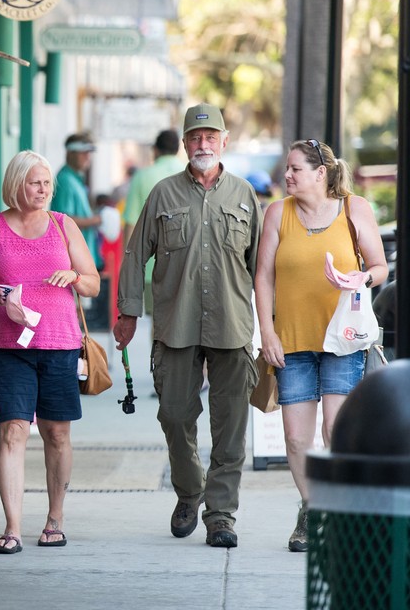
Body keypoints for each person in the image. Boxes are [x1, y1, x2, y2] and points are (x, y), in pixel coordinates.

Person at [114, 104, 262, 549]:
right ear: (184, 143)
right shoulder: (162, 194)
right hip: (174, 325)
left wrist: (272, 327)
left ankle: (221, 515)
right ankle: (189, 491)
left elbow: (263, 269)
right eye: (195, 137)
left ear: (224, 142)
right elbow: (135, 253)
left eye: (210, 136)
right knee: (175, 416)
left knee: (230, 425)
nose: (203, 144)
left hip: (233, 327)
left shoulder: (244, 195)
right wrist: (127, 312)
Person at [0, 150, 100, 554]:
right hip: (8, 347)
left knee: (57, 433)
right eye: (35, 182)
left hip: (59, 345)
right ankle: (13, 527)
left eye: (47, 183)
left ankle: (55, 519)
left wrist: (74, 275)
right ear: (16, 184)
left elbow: (93, 283)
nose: (43, 190)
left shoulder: (62, 225)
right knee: (13, 432)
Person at [253, 139, 386, 552]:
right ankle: (311, 510)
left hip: (342, 340)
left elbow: (380, 267)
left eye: (294, 168)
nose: (287, 176)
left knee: (336, 431)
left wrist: (360, 279)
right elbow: (263, 277)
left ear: (320, 172)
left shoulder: (355, 209)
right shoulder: (278, 213)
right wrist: (267, 333)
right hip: (291, 340)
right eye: (287, 169)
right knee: (296, 438)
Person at [121, 128, 182, 313]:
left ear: (155, 150)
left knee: (159, 323)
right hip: (185, 266)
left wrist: (129, 268)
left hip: (151, 268)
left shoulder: (142, 176)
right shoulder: (190, 175)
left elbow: (131, 223)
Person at [53, 132, 104, 271]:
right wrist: (96, 220)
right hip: (73, 261)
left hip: (82, 258)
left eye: (89, 153)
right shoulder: (65, 180)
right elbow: (63, 220)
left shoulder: (75, 179)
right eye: (83, 152)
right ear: (70, 153)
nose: (88, 157)